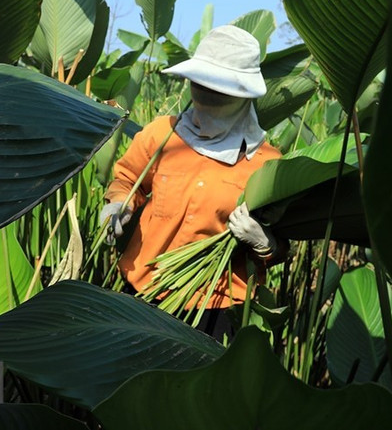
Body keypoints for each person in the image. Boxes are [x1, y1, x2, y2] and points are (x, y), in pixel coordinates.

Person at [100, 25, 286, 340]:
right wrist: (118, 204)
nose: (208, 99)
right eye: (202, 87)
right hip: (143, 287)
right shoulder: (162, 135)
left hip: (215, 305)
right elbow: (128, 178)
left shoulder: (266, 163)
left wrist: (264, 244)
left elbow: (281, 244)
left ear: (243, 98)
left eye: (220, 93)